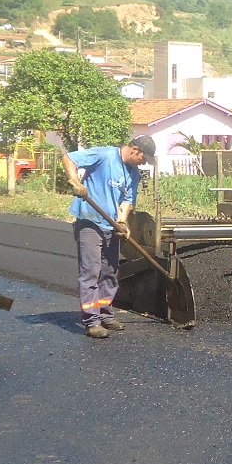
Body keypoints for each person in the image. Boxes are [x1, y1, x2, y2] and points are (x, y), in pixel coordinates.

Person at [61, 135, 156, 339]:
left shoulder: (133, 173)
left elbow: (127, 200)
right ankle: (91, 321)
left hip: (110, 225)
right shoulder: (104, 155)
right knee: (91, 272)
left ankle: (105, 313)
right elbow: (69, 158)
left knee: (110, 272)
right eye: (144, 158)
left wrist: (122, 222)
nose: (144, 162)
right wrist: (75, 181)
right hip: (89, 221)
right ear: (135, 150)